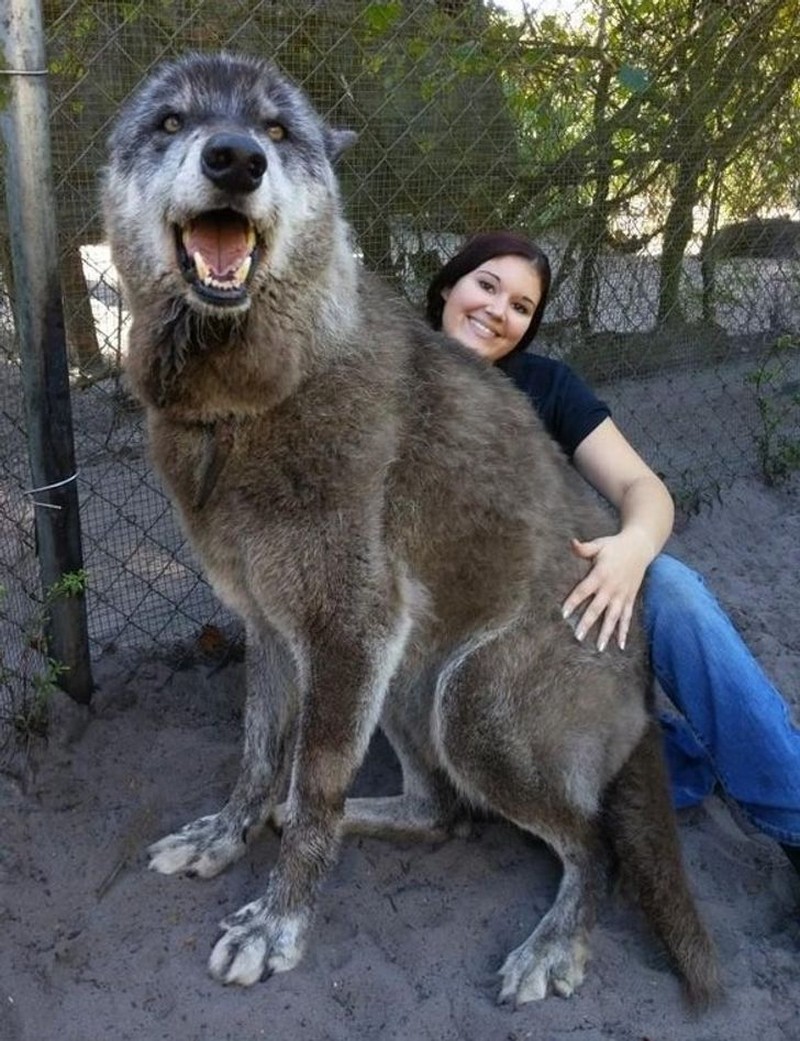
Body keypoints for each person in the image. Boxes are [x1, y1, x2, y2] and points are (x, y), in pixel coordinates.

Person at [425, 230, 800, 874]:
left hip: (548, 605)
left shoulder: (543, 385)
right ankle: (670, 757)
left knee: (672, 588)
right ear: (445, 289)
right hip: (449, 641)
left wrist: (631, 548)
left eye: (521, 306)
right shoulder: (380, 379)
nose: (498, 310)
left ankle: (794, 824)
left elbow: (641, 487)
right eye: (486, 286)